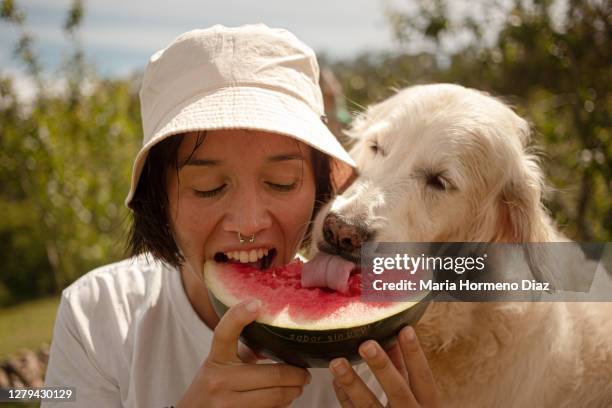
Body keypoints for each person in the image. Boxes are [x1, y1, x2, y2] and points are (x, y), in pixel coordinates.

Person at [42, 24, 439, 407]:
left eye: (283, 182)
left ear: (321, 189)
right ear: (157, 199)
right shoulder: (97, 314)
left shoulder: (371, 339)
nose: (249, 224)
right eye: (208, 187)